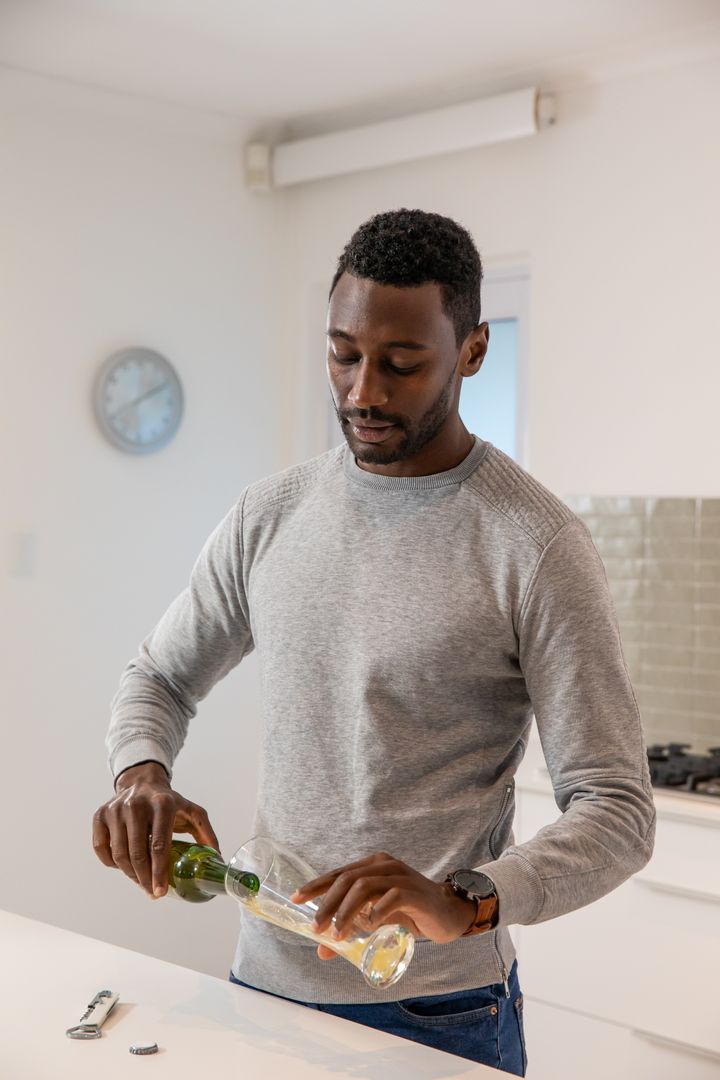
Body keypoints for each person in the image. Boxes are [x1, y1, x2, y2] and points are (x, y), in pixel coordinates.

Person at [94, 208, 656, 1076]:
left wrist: (466, 901)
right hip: (261, 986)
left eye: (401, 364)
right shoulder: (269, 515)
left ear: (471, 351)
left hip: (438, 1011)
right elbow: (159, 676)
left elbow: (617, 809)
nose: (362, 392)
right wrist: (141, 772)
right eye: (342, 354)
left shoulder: (536, 546)